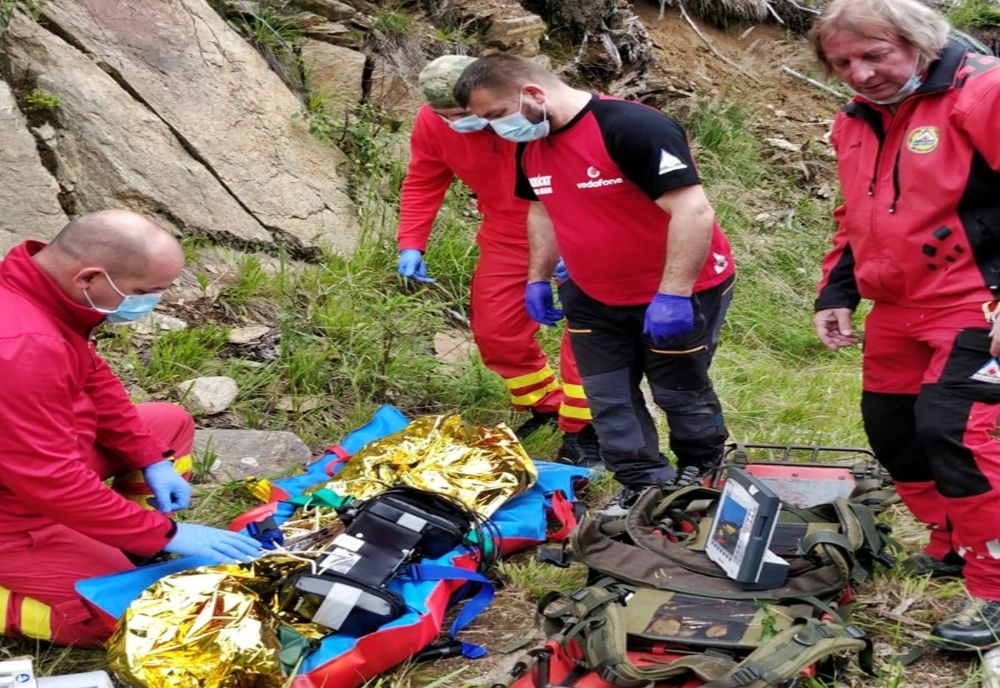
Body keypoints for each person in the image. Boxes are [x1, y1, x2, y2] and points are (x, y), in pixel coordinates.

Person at [454, 55, 736, 509]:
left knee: (677, 388)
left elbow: (693, 211)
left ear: (533, 94)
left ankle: (702, 470)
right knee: (607, 395)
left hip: (677, 290)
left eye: (496, 116)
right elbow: (541, 209)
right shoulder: (534, 143)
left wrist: (673, 294)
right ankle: (644, 481)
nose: (495, 130)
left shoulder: (631, 127)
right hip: (592, 291)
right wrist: (538, 278)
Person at [809, 0, 1000, 649]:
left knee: (958, 433)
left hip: (974, 298)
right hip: (897, 305)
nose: (859, 74)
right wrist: (835, 290)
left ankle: (995, 584)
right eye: (842, 63)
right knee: (892, 431)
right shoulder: (854, 120)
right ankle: (950, 542)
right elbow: (855, 214)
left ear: (917, 41)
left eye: (874, 55)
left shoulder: (983, 92)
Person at [0, 210, 262, 647]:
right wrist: (172, 534)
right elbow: (50, 481)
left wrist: (149, 459)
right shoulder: (23, 346)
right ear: (89, 277)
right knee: (124, 616)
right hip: (15, 504)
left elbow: (93, 379)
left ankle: (126, 542)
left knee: (166, 426)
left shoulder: (39, 293)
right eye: (143, 292)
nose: (148, 304)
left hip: (40, 455)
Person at [397, 54, 599, 465]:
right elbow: (424, 177)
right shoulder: (434, 123)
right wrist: (411, 242)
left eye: (464, 113)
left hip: (581, 229)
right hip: (508, 235)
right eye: (446, 115)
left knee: (588, 337)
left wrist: (588, 241)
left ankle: (588, 429)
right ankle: (547, 405)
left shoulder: (541, 115)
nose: (458, 123)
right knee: (496, 331)